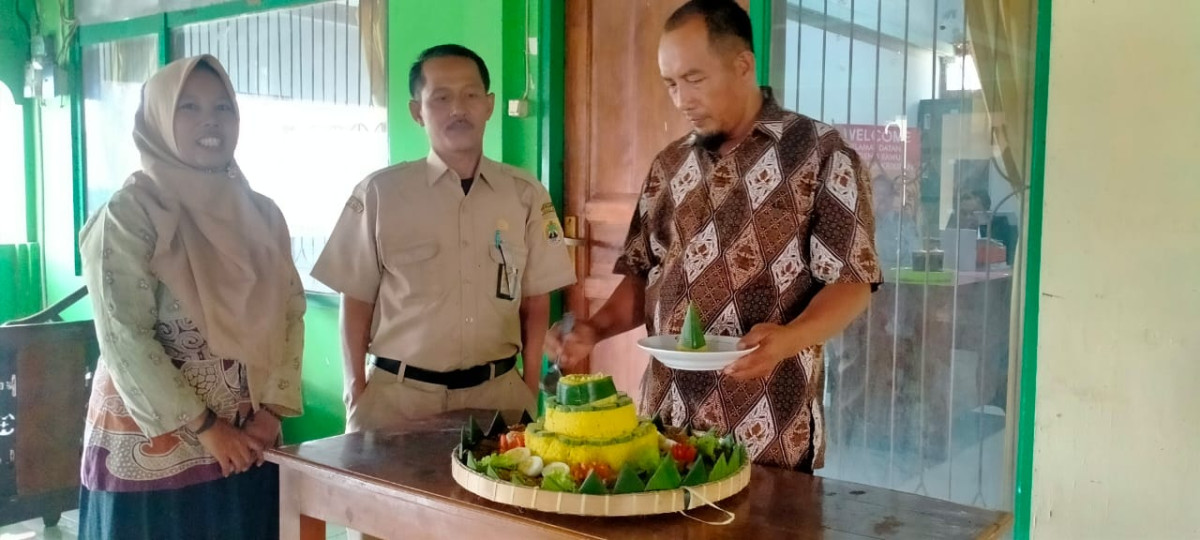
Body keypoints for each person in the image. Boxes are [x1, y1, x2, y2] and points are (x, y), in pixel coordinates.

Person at [546, 0, 882, 472]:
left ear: (743, 65)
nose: (682, 99)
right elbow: (643, 275)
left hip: (767, 428)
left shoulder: (819, 153)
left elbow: (852, 281)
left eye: (695, 79)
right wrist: (594, 330)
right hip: (666, 421)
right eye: (671, 84)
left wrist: (788, 340)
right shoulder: (669, 165)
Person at [78, 54, 305, 539]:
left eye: (223, 108)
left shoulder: (263, 216)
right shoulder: (128, 215)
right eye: (189, 107)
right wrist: (207, 428)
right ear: (158, 118)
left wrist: (270, 415)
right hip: (155, 461)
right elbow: (125, 337)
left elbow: (291, 313)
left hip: (251, 445)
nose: (210, 120)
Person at [312, 44, 575, 433]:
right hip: (397, 403)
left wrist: (529, 383)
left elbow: (536, 300)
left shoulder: (525, 194)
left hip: (498, 399)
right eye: (441, 97)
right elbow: (355, 299)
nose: (458, 108)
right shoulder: (379, 194)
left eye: (470, 95)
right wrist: (356, 391)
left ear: (488, 105)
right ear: (417, 111)